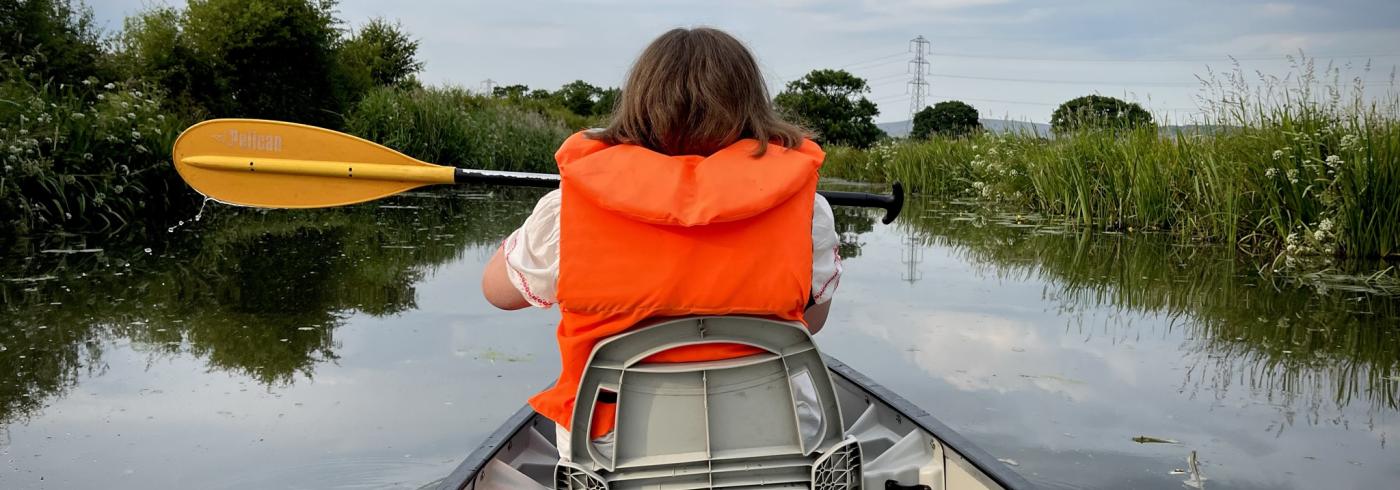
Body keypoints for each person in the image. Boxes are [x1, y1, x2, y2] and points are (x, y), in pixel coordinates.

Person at [480, 27, 842, 459]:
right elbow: (812, 320)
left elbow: (498, 292)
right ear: (750, 107)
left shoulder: (565, 211)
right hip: (776, 450)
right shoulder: (808, 210)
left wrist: (552, 216)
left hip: (610, 456)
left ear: (640, 104)